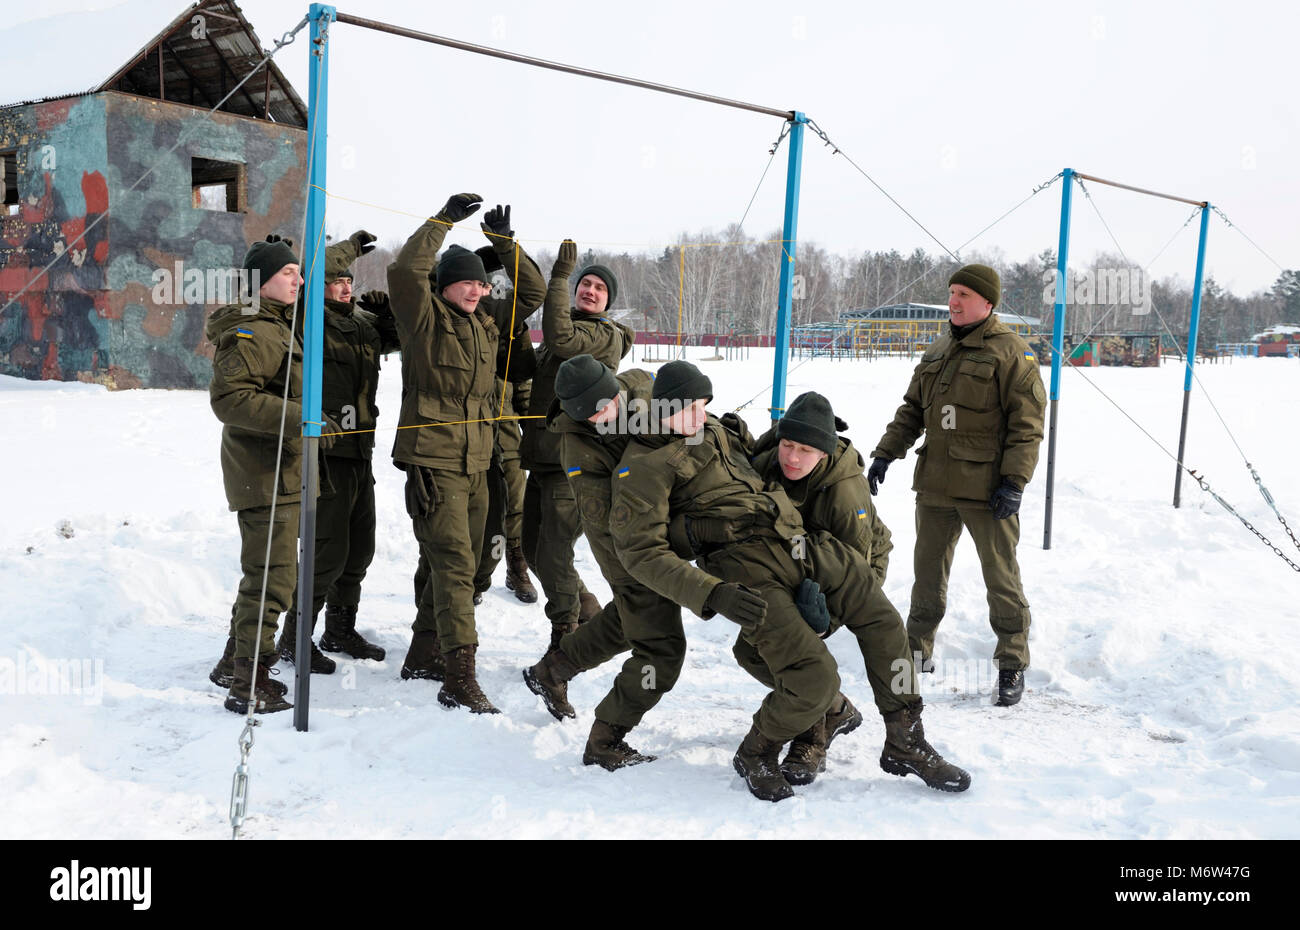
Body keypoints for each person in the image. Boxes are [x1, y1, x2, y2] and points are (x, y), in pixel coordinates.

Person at [610, 362, 969, 801]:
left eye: (701, 406)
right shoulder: (642, 467)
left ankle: (905, 740)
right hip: (745, 567)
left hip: (798, 539)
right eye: (683, 409)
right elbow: (640, 554)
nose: (696, 418)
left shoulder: (715, 430)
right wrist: (712, 591)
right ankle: (757, 751)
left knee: (884, 621)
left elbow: (757, 454)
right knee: (814, 675)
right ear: (656, 408)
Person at [389, 194, 544, 714]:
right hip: (434, 462)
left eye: (481, 282)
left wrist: (504, 245)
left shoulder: (485, 326)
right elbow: (405, 269)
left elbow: (534, 292)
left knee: (467, 563)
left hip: (479, 462)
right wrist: (443, 220)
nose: (477, 290)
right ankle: (459, 674)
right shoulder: (424, 319)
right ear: (444, 285)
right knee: (454, 564)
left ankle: (423, 652)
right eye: (467, 281)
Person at [868, 263, 1046, 707]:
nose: (954, 300)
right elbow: (913, 409)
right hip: (935, 483)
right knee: (927, 575)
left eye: (964, 293)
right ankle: (915, 652)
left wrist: (1014, 482)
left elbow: (1027, 426)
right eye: (951, 292)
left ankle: (1011, 662)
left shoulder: (1013, 353)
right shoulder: (939, 348)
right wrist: (886, 452)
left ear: (988, 302)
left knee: (1001, 577)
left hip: (988, 490)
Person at [522, 355, 685, 770]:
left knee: (630, 616)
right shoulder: (577, 450)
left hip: (659, 520)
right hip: (623, 541)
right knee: (657, 635)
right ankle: (606, 740)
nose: (607, 413)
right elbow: (612, 519)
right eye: (594, 412)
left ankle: (554, 669)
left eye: (610, 401)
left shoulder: (639, 387)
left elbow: (678, 397)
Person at [724, 390, 893, 782]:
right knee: (750, 651)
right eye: (787, 444)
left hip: (855, 567)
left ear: (824, 453)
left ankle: (811, 735)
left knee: (803, 650)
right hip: (796, 564)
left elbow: (857, 574)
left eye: (805, 450)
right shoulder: (770, 462)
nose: (792, 458)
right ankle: (829, 710)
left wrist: (822, 622)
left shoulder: (845, 492)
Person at [206, 236, 324, 714]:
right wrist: (304, 417)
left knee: (269, 573)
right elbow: (229, 400)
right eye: (288, 273)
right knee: (272, 579)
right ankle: (248, 682)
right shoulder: (254, 330)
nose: (299, 281)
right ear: (261, 282)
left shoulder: (280, 323)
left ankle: (232, 663)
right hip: (264, 472)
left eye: (299, 272)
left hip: (283, 469)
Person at [277, 230, 399, 674]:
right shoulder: (308, 318)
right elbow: (311, 278)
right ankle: (294, 637)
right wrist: (346, 247)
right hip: (326, 454)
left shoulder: (361, 326)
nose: (346, 287)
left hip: (360, 452)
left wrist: (386, 318)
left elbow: (398, 341)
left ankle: (340, 628)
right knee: (327, 550)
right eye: (338, 281)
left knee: (359, 549)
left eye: (350, 281)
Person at [520, 241, 633, 655]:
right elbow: (532, 366)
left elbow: (561, 338)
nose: (588, 290)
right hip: (544, 459)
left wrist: (560, 276)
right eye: (584, 283)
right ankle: (588, 611)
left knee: (553, 552)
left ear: (608, 301)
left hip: (574, 461)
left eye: (598, 288)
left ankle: (564, 641)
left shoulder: (604, 336)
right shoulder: (569, 328)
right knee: (534, 550)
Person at [470, 234, 541, 606]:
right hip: (469, 437)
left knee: (516, 501)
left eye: (496, 283)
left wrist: (533, 429)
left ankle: (516, 563)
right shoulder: (459, 319)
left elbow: (521, 382)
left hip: (507, 431)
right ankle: (474, 578)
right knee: (479, 510)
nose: (493, 290)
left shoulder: (509, 325)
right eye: (485, 282)